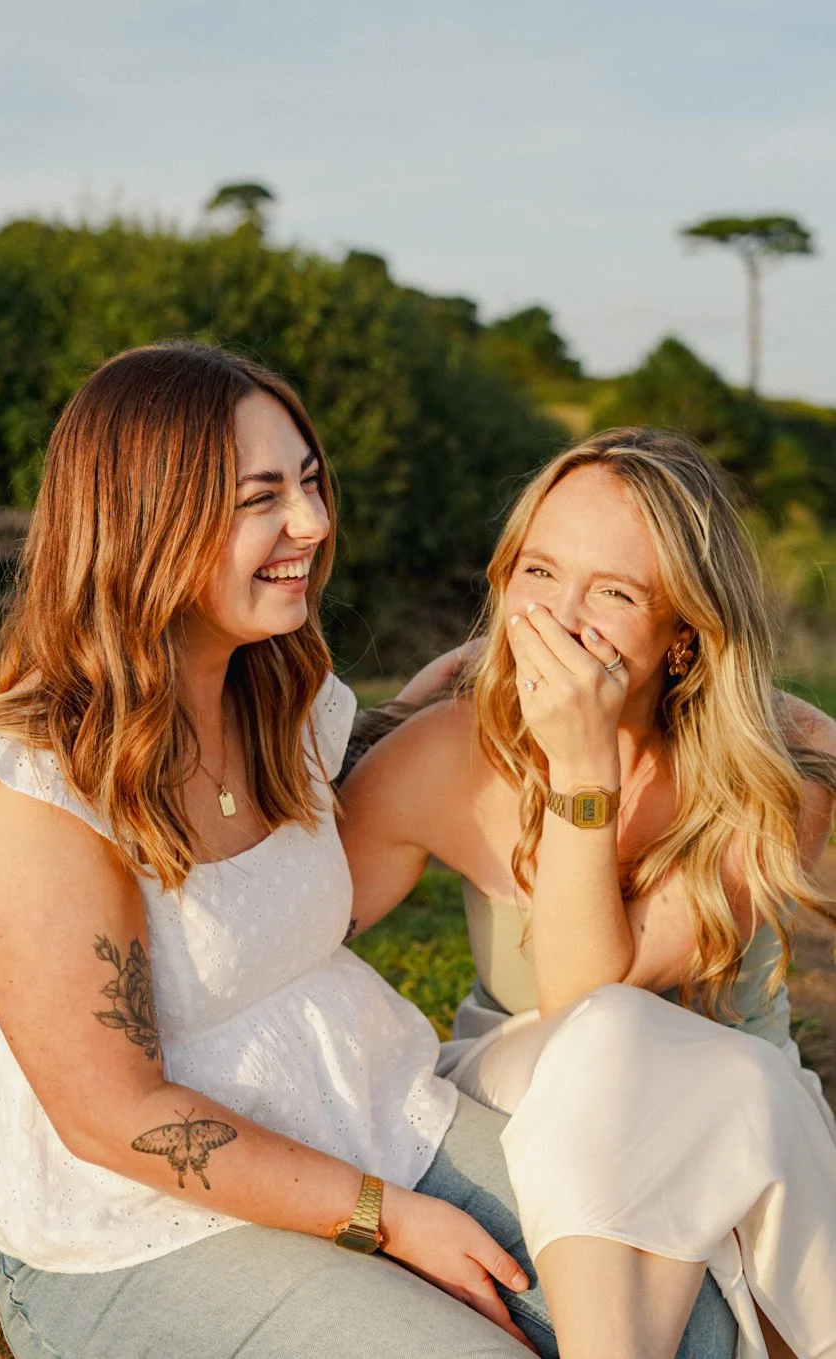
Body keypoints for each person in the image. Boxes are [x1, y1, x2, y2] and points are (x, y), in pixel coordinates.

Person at [0, 346, 733, 1359]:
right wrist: (386, 1217)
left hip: (359, 1107)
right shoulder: (41, 794)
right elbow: (115, 1118)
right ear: (146, 523)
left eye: (309, 481)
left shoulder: (278, 699)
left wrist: (764, 717)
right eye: (262, 497)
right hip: (133, 1220)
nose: (314, 523)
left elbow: (413, 724)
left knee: (689, 1317)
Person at [338, 428, 836, 1359]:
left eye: (612, 593)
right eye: (537, 572)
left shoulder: (781, 767)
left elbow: (590, 987)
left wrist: (579, 767)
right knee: (622, 1041)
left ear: (683, 635)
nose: (561, 618)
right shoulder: (451, 750)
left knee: (715, 1068)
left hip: (729, 1097)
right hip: (519, 1083)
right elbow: (284, 928)